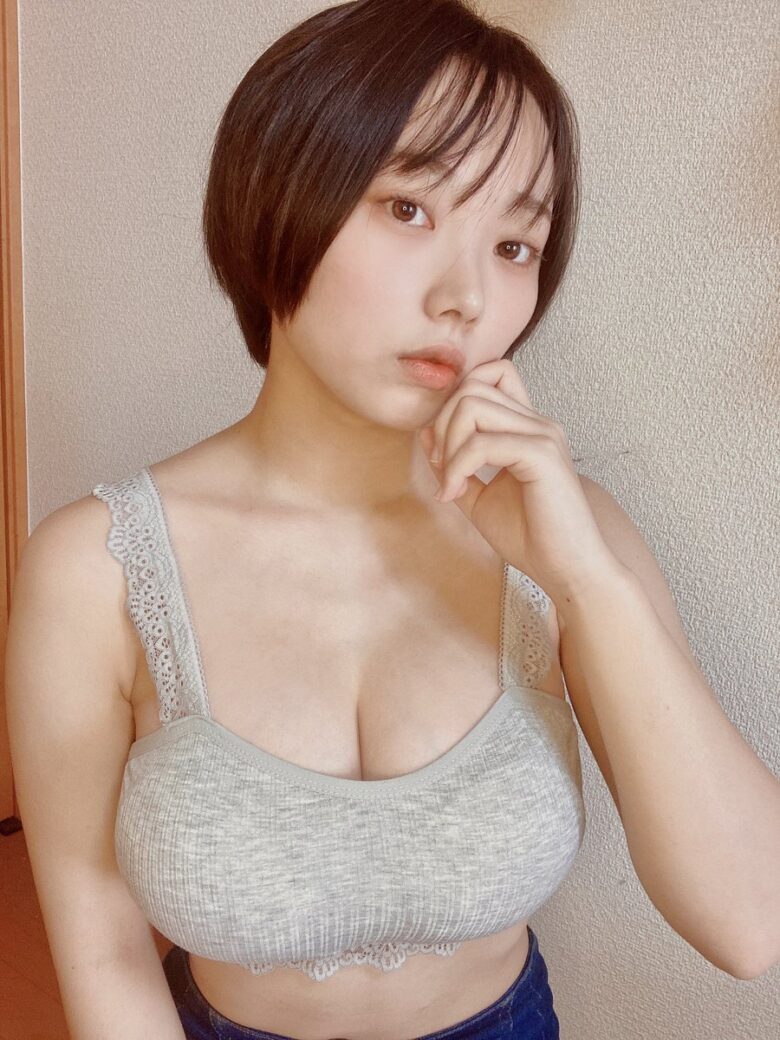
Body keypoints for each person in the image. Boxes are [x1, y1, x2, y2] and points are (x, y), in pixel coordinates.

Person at [14, 1, 773, 1038]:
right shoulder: (96, 568)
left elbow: (748, 924)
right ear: (279, 194)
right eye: (410, 208)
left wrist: (587, 582)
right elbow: (102, 946)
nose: (468, 296)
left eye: (515, 243)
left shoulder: (567, 534)